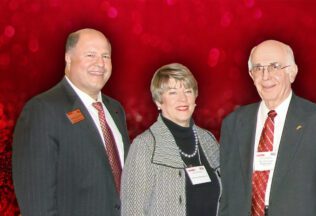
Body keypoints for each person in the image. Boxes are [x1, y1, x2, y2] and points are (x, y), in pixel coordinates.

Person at [219, 40, 316, 216]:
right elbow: (227, 194)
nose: (265, 76)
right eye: (258, 68)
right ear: (251, 75)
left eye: (274, 66)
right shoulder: (233, 123)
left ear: (292, 73)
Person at [12, 28, 130, 216]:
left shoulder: (115, 110)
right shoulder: (42, 110)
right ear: (68, 58)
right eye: (90, 54)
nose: (100, 63)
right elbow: (37, 202)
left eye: (106, 56)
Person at [121, 63, 221, 216]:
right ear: (158, 101)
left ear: (195, 97)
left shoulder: (209, 140)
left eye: (188, 91)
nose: (183, 99)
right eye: (173, 92)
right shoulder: (145, 146)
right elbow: (132, 210)